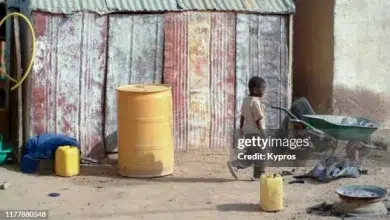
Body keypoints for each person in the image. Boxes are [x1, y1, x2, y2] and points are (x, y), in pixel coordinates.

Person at [227, 76, 267, 181]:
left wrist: (241, 128)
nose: (264, 91)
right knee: (259, 154)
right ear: (255, 90)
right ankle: (237, 164)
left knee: (252, 153)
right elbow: (258, 120)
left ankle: (257, 174)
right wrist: (263, 134)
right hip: (256, 132)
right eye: (262, 89)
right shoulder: (255, 102)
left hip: (248, 131)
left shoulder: (246, 100)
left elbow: (242, 116)